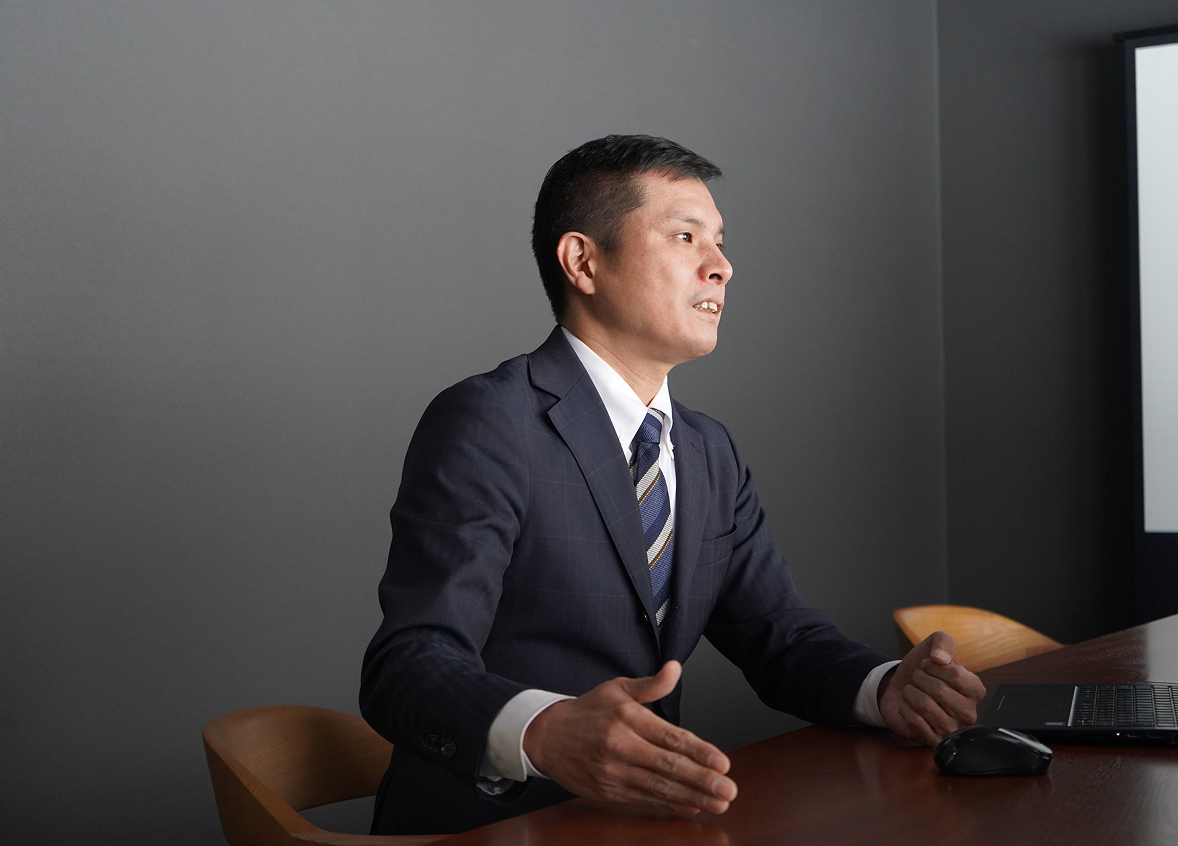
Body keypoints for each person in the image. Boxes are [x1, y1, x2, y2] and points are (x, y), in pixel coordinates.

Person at [360, 135, 985, 835]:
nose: (721, 266)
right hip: (496, 825)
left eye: (720, 243)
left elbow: (779, 636)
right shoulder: (489, 421)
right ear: (583, 262)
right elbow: (408, 665)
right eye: (686, 237)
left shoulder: (708, 448)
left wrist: (885, 688)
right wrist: (546, 731)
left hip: (648, 820)